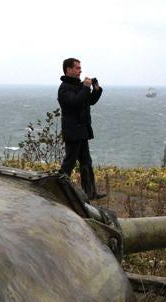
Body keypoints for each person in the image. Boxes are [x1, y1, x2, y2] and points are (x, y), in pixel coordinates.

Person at [57, 57, 103, 200]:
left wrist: (96, 89)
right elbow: (75, 102)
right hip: (72, 132)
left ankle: (90, 193)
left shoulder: (78, 86)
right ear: (68, 69)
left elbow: (89, 101)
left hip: (82, 130)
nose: (80, 70)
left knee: (86, 163)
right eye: (77, 68)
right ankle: (58, 191)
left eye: (80, 68)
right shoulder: (64, 88)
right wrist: (85, 87)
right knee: (69, 163)